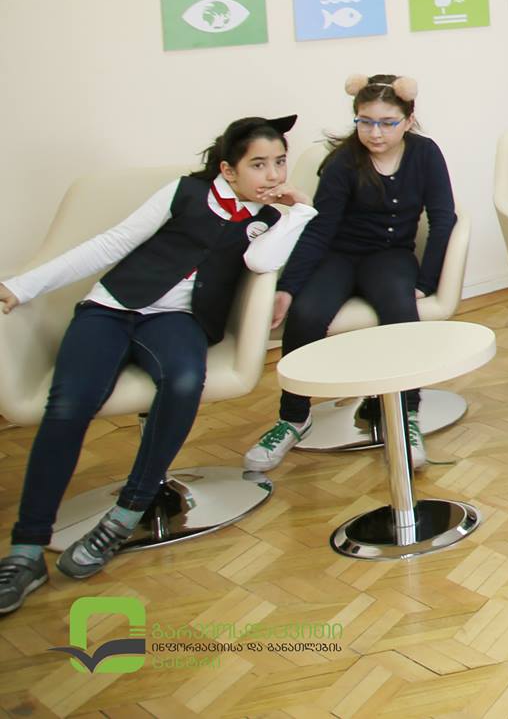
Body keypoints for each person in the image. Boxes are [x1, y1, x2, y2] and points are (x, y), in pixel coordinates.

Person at [0, 116, 315, 613]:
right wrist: (23, 286)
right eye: (258, 164)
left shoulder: (271, 218)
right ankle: (25, 551)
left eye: (279, 162)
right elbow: (112, 243)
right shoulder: (184, 193)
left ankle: (125, 515)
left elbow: (261, 264)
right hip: (112, 309)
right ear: (228, 170)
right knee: (69, 404)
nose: (273, 174)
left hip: (177, 322)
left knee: (185, 380)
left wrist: (299, 212)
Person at [245, 75, 455, 475]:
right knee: (306, 315)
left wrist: (426, 283)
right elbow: (320, 228)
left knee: (400, 310)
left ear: (408, 121)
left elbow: (443, 219)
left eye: (387, 123)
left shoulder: (425, 153)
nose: (375, 133)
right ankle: (293, 418)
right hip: (339, 255)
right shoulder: (344, 160)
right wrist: (288, 287)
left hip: (390, 256)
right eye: (365, 121)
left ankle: (407, 415)